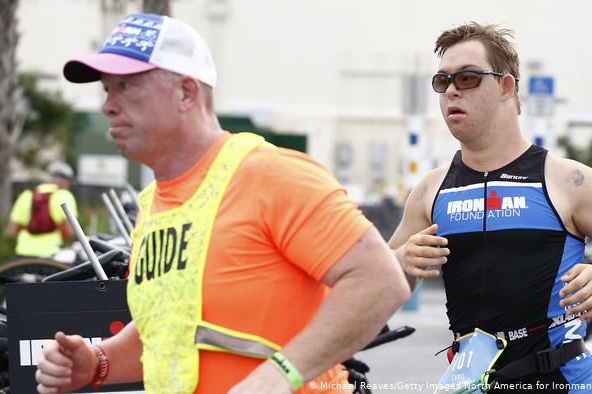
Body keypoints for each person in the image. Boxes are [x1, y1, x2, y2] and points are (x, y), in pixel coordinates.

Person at [35, 13, 410, 394]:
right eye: (107, 89)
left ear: (186, 92)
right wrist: (98, 362)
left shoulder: (269, 174)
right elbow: (169, 330)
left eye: (126, 87)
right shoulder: (152, 203)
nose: (108, 106)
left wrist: (278, 376)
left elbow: (379, 281)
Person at [389, 22, 592, 392]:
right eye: (442, 81)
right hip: (471, 383)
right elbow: (378, 280)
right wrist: (401, 259)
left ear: (506, 86)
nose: (451, 91)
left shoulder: (566, 179)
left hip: (561, 379)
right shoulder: (430, 190)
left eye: (467, 78)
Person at [7, 161, 77, 257]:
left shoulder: (26, 195)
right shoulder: (64, 195)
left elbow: (11, 232)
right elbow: (72, 232)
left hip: (24, 254)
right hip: (52, 254)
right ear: (65, 180)